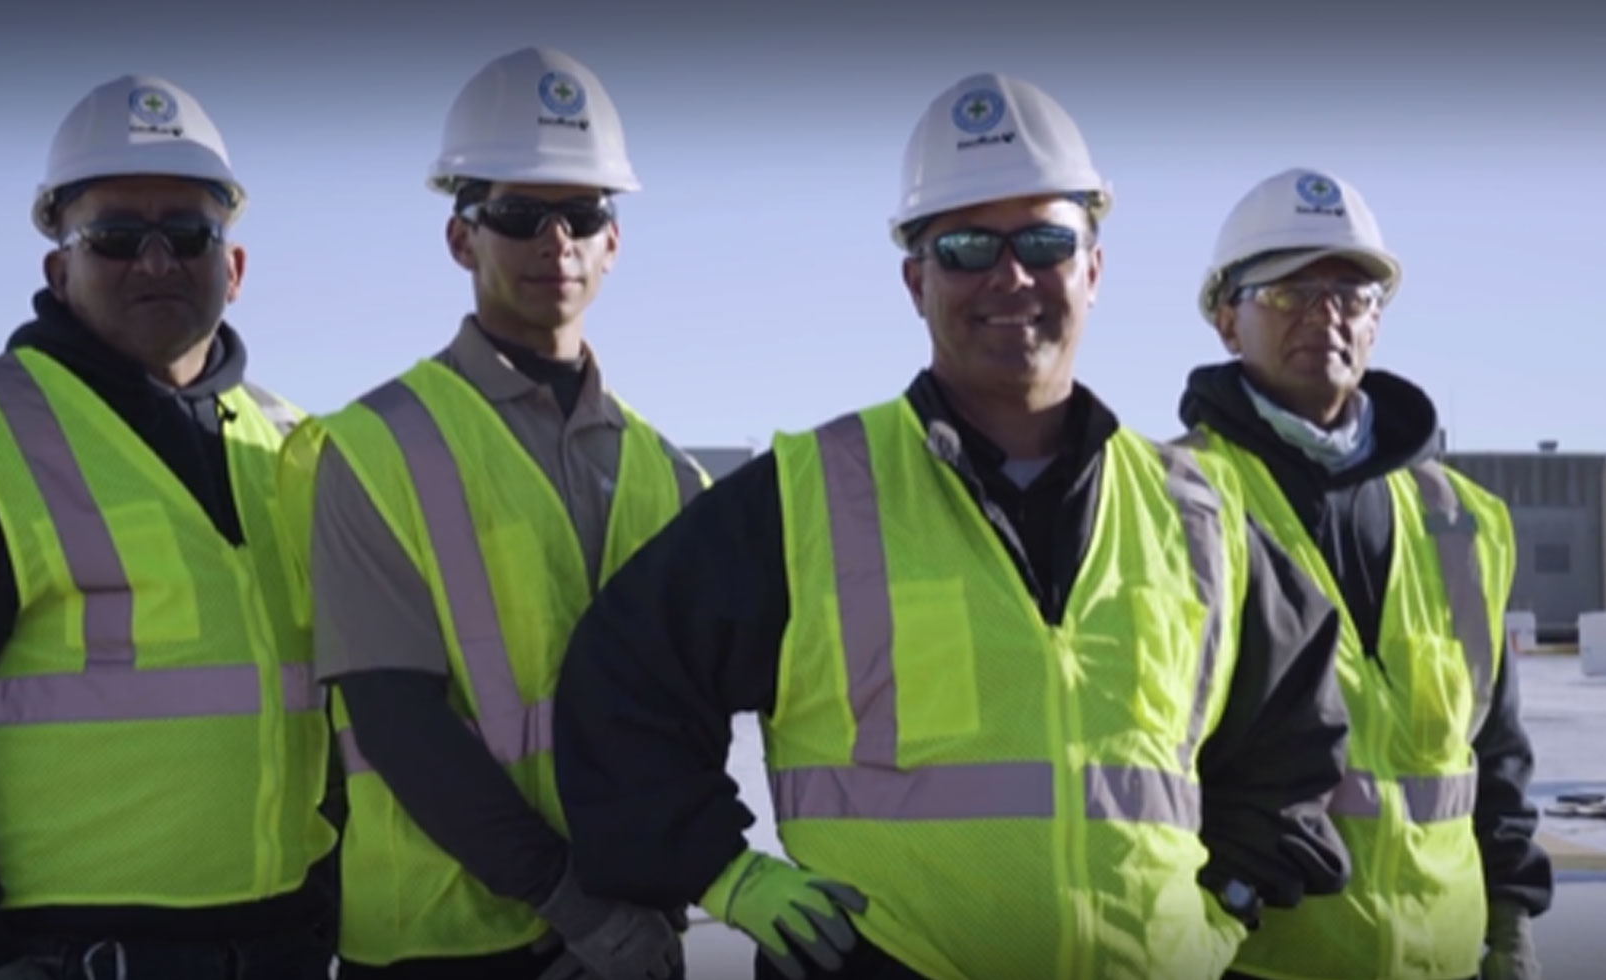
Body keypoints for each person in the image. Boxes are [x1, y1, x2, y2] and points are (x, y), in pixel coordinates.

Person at [548, 72, 1356, 980]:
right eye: (966, 246)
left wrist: (1230, 904)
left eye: (1044, 241)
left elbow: (1296, 737)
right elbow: (619, 687)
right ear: (914, 281)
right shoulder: (813, 494)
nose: (1008, 275)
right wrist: (724, 876)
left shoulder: (1195, 515)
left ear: (1092, 267)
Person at [0, 74, 338, 980]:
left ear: (236, 267)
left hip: (286, 948)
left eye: (187, 234)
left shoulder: (295, 446)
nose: (155, 261)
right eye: (113, 237)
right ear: (59, 267)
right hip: (64, 957)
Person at [272, 46, 706, 980]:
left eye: (582, 214)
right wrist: (575, 905)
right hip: (443, 946)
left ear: (613, 241)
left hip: (627, 941)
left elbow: (684, 726)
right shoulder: (378, 446)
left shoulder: (667, 475)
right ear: (461, 238)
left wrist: (648, 909)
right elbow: (396, 721)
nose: (555, 242)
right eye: (517, 215)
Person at [1179, 167, 1551, 980]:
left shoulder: (1461, 521)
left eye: (1351, 294)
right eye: (1287, 291)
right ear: (1224, 319)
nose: (1326, 314)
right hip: (1253, 962)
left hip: (1448, 963)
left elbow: (1495, 759)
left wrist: (1509, 924)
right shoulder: (1168, 500)